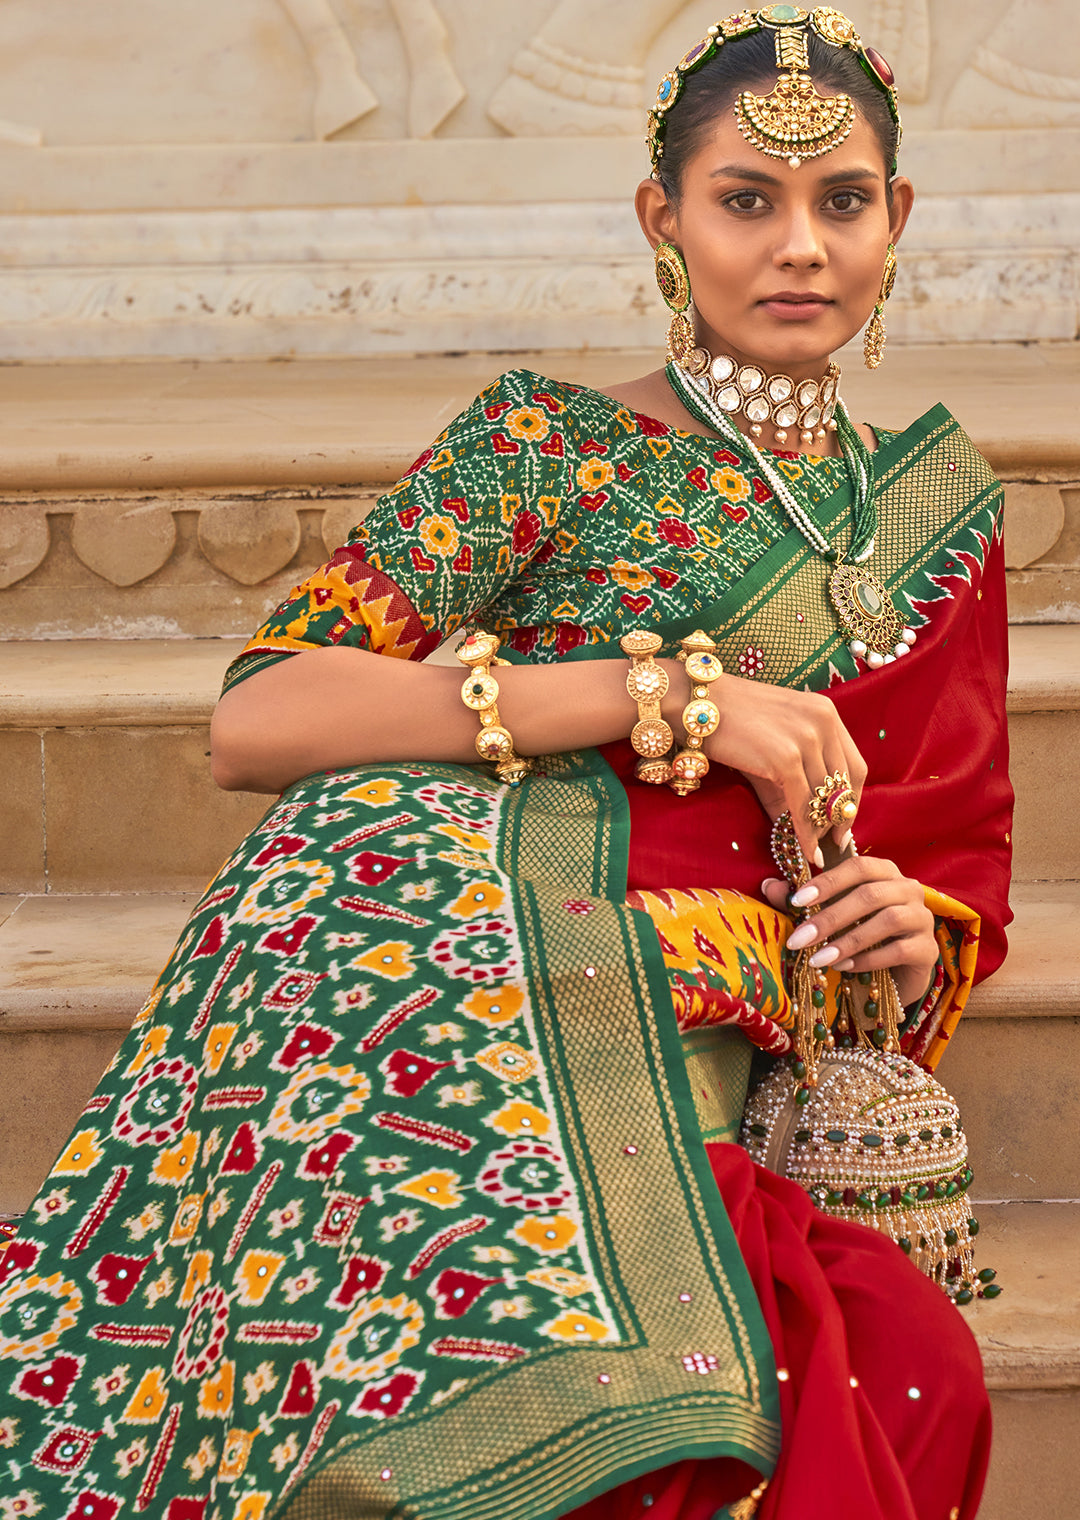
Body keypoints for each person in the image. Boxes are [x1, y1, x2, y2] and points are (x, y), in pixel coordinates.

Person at [0, 8, 1011, 1518]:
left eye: (840, 200)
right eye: (748, 200)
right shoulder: (545, 444)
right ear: (662, 222)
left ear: (898, 218)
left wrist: (901, 927)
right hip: (467, 964)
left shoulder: (941, 520)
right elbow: (262, 714)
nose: (800, 245)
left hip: (705, 1032)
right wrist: (658, 694)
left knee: (891, 1358)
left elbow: (953, 874)